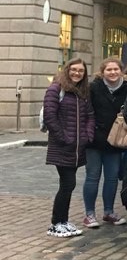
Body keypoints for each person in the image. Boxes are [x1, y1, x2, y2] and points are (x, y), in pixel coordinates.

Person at [44, 59, 96, 238]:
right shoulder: (56, 89)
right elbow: (50, 117)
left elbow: (90, 115)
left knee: (68, 184)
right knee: (67, 184)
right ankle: (56, 223)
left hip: (77, 148)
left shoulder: (83, 91)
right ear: (67, 70)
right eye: (73, 70)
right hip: (63, 146)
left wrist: (87, 136)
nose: (77, 73)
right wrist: (64, 138)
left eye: (81, 71)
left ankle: (62, 221)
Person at [84, 57, 127, 228]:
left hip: (116, 141)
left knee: (111, 179)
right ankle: (89, 214)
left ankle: (108, 212)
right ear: (102, 72)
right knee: (92, 177)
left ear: (121, 71)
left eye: (116, 69)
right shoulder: (94, 87)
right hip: (95, 140)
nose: (112, 73)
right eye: (109, 70)